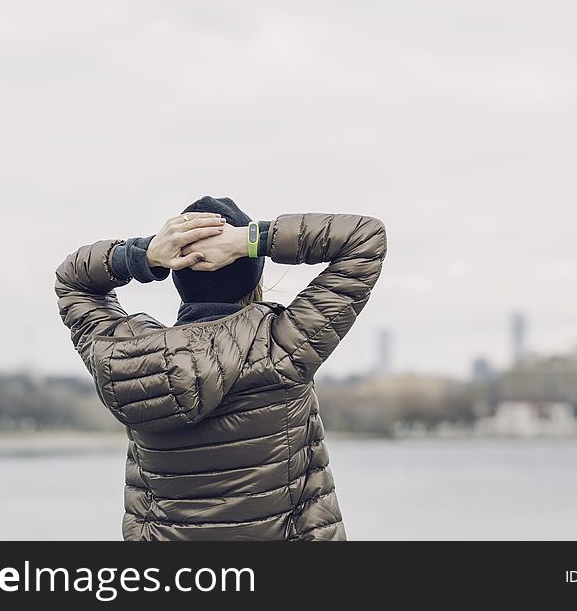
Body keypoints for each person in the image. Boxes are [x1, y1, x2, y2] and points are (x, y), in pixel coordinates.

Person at [54, 196, 387, 540]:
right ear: (250, 273)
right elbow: (364, 238)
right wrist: (251, 240)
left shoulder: (126, 359)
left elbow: (72, 280)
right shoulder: (283, 346)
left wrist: (145, 254)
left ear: (178, 275)